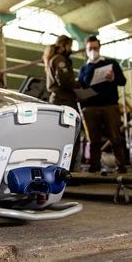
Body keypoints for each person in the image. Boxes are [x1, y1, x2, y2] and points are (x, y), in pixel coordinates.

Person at [78, 36, 127, 173]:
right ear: (86, 50)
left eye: (95, 48)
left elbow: (122, 81)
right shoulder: (83, 69)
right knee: (93, 140)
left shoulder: (111, 63)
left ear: (99, 48)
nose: (93, 51)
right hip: (90, 108)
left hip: (109, 106)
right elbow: (81, 87)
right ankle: (95, 167)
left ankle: (121, 167)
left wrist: (113, 78)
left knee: (115, 138)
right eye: (90, 49)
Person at [43, 35, 81, 171]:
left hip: (57, 101)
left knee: (59, 137)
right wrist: (80, 85)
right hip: (65, 102)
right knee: (72, 137)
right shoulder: (60, 59)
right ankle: (68, 171)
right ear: (63, 45)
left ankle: (56, 169)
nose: (70, 49)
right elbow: (65, 81)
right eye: (70, 46)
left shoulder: (52, 59)